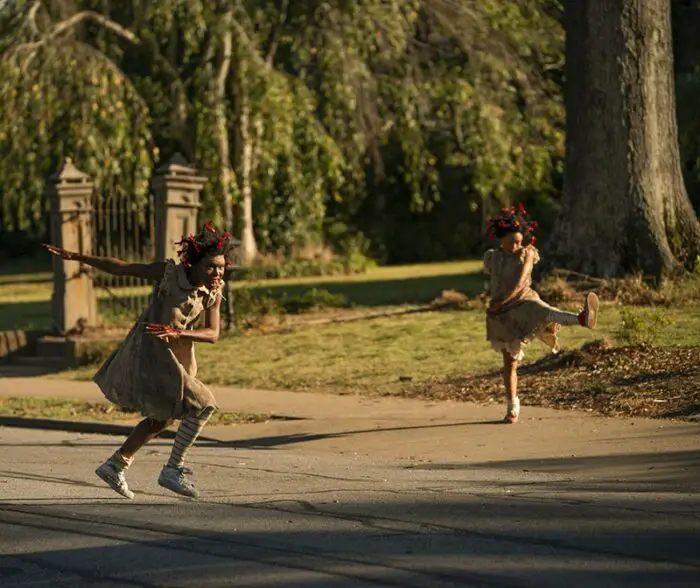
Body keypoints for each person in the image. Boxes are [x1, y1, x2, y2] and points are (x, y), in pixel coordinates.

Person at [45, 222, 237, 499]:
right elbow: (123, 267)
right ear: (193, 264)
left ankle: (116, 464)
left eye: (221, 267)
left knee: (162, 417)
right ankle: (173, 469)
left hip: (177, 356)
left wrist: (180, 332)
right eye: (210, 267)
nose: (217, 272)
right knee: (204, 405)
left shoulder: (214, 292)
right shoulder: (169, 274)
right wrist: (78, 257)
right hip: (151, 353)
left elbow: (213, 333)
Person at [483, 204, 599, 424]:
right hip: (503, 315)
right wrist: (495, 304)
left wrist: (501, 302)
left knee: (545, 311)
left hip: (524, 301)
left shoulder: (527, 254)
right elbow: (494, 280)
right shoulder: (491, 257)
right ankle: (512, 407)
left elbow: (519, 283)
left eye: (519, 240)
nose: (517, 244)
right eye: (512, 241)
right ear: (501, 239)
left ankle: (581, 318)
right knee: (510, 364)